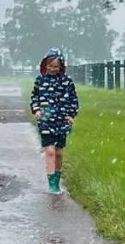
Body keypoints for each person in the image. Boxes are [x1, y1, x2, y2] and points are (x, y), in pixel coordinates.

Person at [30, 48, 79, 194]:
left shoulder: (67, 82)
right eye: (50, 66)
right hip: (46, 120)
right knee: (50, 151)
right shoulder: (40, 81)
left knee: (58, 153)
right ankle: (51, 184)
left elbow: (73, 100)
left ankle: (57, 179)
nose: (52, 69)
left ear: (61, 67)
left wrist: (71, 115)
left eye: (56, 67)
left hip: (62, 121)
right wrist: (37, 110)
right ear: (45, 65)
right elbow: (34, 98)